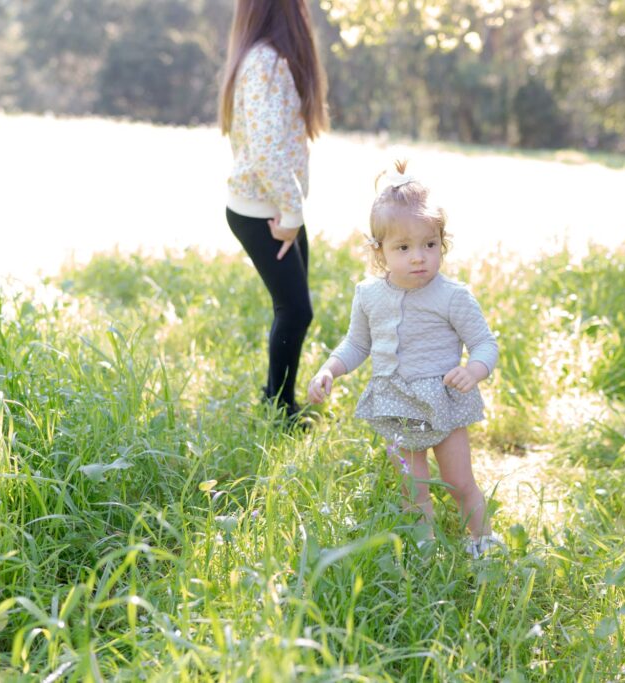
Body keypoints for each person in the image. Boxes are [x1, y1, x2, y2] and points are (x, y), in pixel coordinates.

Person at [307, 160, 503, 557]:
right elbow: (356, 345)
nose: (419, 257)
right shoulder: (368, 295)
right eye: (403, 247)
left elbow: (485, 343)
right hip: (395, 402)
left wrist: (473, 370)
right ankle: (423, 549)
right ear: (379, 251)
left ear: (441, 244)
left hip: (442, 401)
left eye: (429, 245)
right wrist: (330, 368)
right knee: (413, 489)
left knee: (458, 481)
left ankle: (482, 542)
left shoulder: (453, 296)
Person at [219, 0, 328, 420]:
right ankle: (278, 411)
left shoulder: (268, 58)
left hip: (275, 205)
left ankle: (278, 399)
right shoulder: (264, 60)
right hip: (263, 209)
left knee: (294, 307)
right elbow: (265, 151)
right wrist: (290, 212)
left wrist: (290, 209)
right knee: (296, 309)